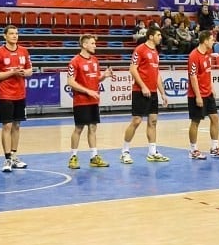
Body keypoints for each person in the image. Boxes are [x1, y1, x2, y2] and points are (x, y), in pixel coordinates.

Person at [121, 26, 170, 164]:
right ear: (150, 36)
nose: (161, 37)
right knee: (136, 121)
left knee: (153, 121)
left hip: (153, 92)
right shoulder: (140, 49)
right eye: (158, 35)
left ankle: (152, 152)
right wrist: (143, 86)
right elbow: (132, 69)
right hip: (140, 91)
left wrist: (163, 93)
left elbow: (157, 74)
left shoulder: (155, 52)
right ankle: (124, 151)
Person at [0, 25, 33, 173]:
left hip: (20, 94)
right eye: (11, 33)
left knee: (17, 126)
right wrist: (11, 73)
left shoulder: (24, 51)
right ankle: (7, 158)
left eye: (16, 33)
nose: (15, 36)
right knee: (7, 126)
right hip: (5, 94)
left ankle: (14, 156)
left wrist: (22, 72)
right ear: (5, 36)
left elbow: (30, 71)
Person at [67, 34, 114, 169]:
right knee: (79, 128)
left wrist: (103, 76)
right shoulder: (74, 62)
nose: (95, 46)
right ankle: (73, 157)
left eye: (95, 43)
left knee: (93, 128)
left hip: (94, 100)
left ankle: (94, 157)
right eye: (92, 43)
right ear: (84, 45)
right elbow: (70, 82)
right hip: (81, 101)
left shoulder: (95, 60)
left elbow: (95, 79)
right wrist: (87, 91)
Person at [186, 30, 219, 159]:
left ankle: (215, 147)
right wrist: (198, 96)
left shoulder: (208, 54)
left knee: (215, 117)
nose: (213, 42)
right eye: (211, 39)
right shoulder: (194, 56)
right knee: (196, 121)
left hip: (208, 93)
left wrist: (211, 88)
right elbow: (193, 77)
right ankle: (193, 150)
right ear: (205, 41)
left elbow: (208, 73)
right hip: (196, 94)